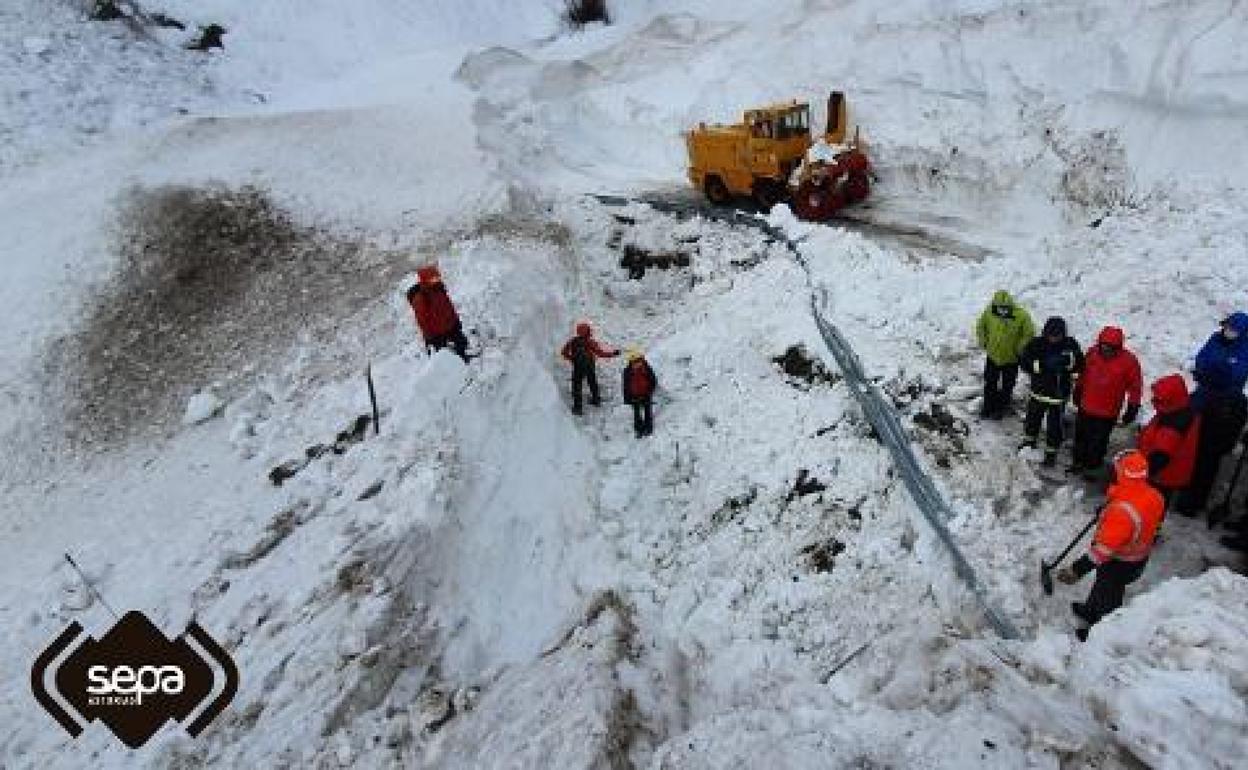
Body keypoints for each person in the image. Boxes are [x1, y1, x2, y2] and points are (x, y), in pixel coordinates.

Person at [1057, 449, 1165, 641]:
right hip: (1138, 557)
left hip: (1120, 562)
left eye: (1115, 469)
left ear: (1122, 474)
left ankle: (1098, 632)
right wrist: (1109, 506)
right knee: (1102, 586)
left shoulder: (1122, 512)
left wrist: (1076, 570)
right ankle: (1090, 610)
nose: (1110, 471)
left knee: (1109, 598)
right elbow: (1144, 516)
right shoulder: (1154, 495)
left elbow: (1101, 552)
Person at [1174, 360, 1247, 517]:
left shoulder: (1216, 396)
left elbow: (1196, 411)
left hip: (1208, 442)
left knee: (1200, 472)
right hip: (1217, 444)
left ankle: (1189, 504)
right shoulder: (1232, 395)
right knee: (1207, 472)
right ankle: (1195, 502)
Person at [1070, 326, 1142, 476]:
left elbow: (1135, 387)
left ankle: (1091, 468)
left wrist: (1133, 407)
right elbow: (1083, 374)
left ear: (1118, 347)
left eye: (1110, 347)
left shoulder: (1129, 361)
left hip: (1107, 412)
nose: (1106, 350)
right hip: (1086, 406)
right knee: (1080, 437)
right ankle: (1077, 462)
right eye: (1103, 346)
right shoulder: (1092, 353)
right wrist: (1078, 390)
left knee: (1098, 442)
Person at [1018, 316, 1084, 466]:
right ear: (1045, 332)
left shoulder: (1070, 344)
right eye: (1051, 335)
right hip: (1038, 392)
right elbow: (1024, 362)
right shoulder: (1036, 343)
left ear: (1063, 334)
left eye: (1057, 335)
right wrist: (1041, 365)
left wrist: (1066, 362)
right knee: (1032, 420)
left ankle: (1051, 452)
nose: (1054, 338)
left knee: (1055, 426)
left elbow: (1079, 364)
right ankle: (1029, 443)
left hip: (1058, 396)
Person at [1136, 373, 1202, 506]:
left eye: (1159, 397)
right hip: (1168, 474)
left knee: (1149, 507)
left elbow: (1161, 455)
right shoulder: (1179, 409)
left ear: (1170, 397)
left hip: (1161, 476)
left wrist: (1141, 474)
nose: (1155, 398)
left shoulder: (1175, 421)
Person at [975, 290, 1035, 419]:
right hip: (993, 356)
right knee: (990, 382)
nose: (1002, 310)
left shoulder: (1021, 315)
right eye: (999, 307)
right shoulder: (989, 312)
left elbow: (1029, 333)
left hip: (1011, 358)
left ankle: (1000, 408)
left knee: (1008, 385)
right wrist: (983, 340)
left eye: (1005, 308)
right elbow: (981, 326)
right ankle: (987, 407)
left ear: (1010, 305)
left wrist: (1020, 347)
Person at [406, 265, 469, 361]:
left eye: (437, 277)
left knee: (463, 344)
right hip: (436, 334)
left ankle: (465, 362)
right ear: (426, 280)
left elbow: (449, 306)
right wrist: (430, 337)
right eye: (433, 278)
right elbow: (422, 320)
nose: (436, 279)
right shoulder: (420, 298)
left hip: (450, 326)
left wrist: (456, 321)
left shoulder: (439, 289)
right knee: (441, 358)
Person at [560, 321, 619, 415]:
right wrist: (613, 354)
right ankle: (596, 400)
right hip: (589, 365)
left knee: (577, 386)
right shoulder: (590, 342)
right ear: (587, 331)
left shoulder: (573, 341)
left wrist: (572, 359)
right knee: (592, 382)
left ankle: (578, 408)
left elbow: (563, 352)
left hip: (578, 367)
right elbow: (601, 353)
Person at [1193, 312, 1248, 398]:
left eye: (1234, 330)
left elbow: (1240, 372)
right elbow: (1201, 357)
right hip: (1204, 386)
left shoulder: (1244, 349)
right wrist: (1203, 370)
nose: (1229, 331)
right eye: (1228, 327)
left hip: (1227, 394)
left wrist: (1221, 370)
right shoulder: (1215, 338)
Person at [621, 349, 658, 437]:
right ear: (630, 362)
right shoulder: (627, 371)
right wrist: (627, 398)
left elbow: (653, 380)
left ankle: (648, 428)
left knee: (647, 411)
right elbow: (625, 386)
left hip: (646, 394)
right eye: (634, 362)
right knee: (636, 413)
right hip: (634, 396)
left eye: (639, 360)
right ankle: (639, 429)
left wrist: (649, 391)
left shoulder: (646, 368)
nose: (637, 363)